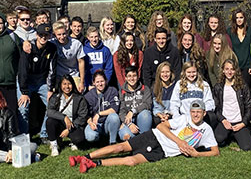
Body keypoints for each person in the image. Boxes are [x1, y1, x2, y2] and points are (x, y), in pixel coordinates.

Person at [69, 100, 219, 173]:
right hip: (154, 136)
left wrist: (197, 154)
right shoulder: (184, 118)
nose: (195, 114)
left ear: (204, 113)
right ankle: (84, 156)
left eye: (199, 111)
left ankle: (93, 163)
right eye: (193, 111)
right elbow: (161, 126)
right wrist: (180, 142)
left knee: (131, 161)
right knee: (121, 147)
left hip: (163, 152)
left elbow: (215, 152)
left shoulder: (206, 130)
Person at [17, 23, 57, 140]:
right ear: (36, 35)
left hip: (42, 81)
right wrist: (24, 92)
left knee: (52, 105)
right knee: (23, 108)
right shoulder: (29, 48)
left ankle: (44, 133)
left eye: (46, 35)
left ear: (50, 36)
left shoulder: (52, 48)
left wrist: (50, 89)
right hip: (26, 80)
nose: (43, 37)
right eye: (41, 35)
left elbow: (52, 70)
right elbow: (22, 70)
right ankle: (25, 135)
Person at [0, 87, 39, 166]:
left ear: (0, 99)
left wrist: (11, 150)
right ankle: (24, 157)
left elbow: (12, 133)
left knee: (33, 146)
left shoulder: (7, 113)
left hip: (8, 144)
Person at [212, 59, 251, 150]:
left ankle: (238, 134)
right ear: (223, 70)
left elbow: (249, 106)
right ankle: (230, 135)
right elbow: (216, 107)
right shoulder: (218, 87)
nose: (229, 72)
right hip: (226, 121)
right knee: (219, 140)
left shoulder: (243, 86)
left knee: (247, 147)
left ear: (235, 71)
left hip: (239, 121)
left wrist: (243, 123)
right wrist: (223, 120)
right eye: (227, 69)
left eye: (232, 69)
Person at [46, 75, 88, 156]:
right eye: (64, 84)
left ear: (73, 85)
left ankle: (73, 142)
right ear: (60, 85)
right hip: (60, 123)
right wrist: (64, 117)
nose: (67, 87)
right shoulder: (55, 96)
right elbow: (49, 111)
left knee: (79, 138)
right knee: (49, 121)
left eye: (69, 84)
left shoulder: (79, 98)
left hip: (73, 124)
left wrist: (69, 129)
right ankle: (54, 145)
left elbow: (82, 116)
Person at [84, 71, 121, 145]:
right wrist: (90, 123)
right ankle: (100, 139)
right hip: (95, 123)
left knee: (114, 117)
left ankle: (112, 141)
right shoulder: (88, 96)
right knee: (90, 136)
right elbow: (86, 114)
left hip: (108, 123)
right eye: (97, 82)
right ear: (93, 83)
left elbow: (114, 109)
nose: (100, 84)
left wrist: (99, 114)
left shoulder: (112, 90)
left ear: (106, 81)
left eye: (102, 81)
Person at [118, 67, 153, 141]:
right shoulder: (121, 92)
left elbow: (147, 104)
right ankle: (137, 140)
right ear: (126, 78)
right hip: (128, 120)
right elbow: (121, 112)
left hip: (142, 119)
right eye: (129, 76)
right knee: (126, 136)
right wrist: (129, 124)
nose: (132, 78)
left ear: (138, 77)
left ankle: (144, 139)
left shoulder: (145, 89)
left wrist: (133, 111)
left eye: (134, 76)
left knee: (146, 113)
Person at [53, 21, 86, 93]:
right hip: (59, 75)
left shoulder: (76, 44)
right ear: (54, 34)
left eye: (64, 34)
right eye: (59, 35)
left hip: (73, 74)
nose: (62, 37)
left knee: (79, 91)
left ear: (67, 33)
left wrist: (82, 81)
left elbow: (81, 62)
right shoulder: (52, 43)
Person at [226, 9, 251, 88]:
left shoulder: (250, 31)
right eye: (237, 18)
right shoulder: (229, 32)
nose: (239, 20)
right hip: (234, 66)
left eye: (241, 17)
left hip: (247, 67)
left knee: (246, 89)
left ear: (244, 18)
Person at [152, 62, 177, 126]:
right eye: (162, 72)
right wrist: (161, 115)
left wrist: (168, 115)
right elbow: (156, 107)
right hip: (160, 115)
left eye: (167, 72)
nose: (165, 74)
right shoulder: (155, 87)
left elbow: (176, 105)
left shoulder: (176, 86)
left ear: (171, 73)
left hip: (172, 114)